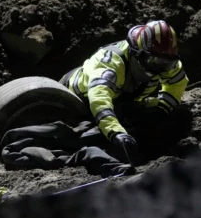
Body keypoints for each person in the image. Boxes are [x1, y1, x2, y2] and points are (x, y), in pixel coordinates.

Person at [59, 20, 189, 165]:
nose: (161, 68)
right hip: (78, 98)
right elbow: (99, 99)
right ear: (138, 54)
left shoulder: (165, 60)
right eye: (155, 61)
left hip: (120, 99)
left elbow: (177, 82)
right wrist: (116, 133)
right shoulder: (110, 63)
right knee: (90, 137)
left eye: (167, 63)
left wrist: (162, 108)